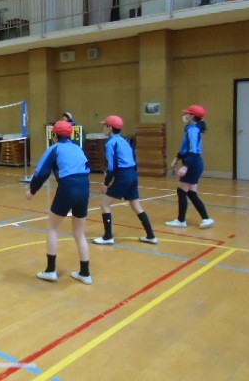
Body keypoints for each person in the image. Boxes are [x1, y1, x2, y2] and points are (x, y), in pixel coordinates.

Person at [26, 120, 92, 285]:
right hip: (84, 188)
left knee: (53, 228)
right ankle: (85, 273)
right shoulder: (78, 148)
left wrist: (32, 191)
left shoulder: (54, 149)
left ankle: (50, 271)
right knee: (79, 233)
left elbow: (41, 173)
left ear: (54, 135)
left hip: (68, 188)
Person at [93, 115, 158, 245]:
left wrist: (106, 183)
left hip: (123, 176)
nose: (103, 128)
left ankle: (108, 237)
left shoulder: (110, 143)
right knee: (136, 206)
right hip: (132, 174)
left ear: (110, 128)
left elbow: (111, 167)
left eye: (104, 126)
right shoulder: (124, 141)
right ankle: (151, 236)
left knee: (104, 204)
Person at [166, 105, 215, 229]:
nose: (185, 115)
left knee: (182, 191)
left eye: (187, 113)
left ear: (192, 116)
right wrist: (177, 158)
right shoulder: (192, 128)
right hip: (194, 162)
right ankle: (206, 218)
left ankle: (181, 220)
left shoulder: (193, 130)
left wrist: (185, 166)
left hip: (193, 163)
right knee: (191, 193)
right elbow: (185, 148)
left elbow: (193, 150)